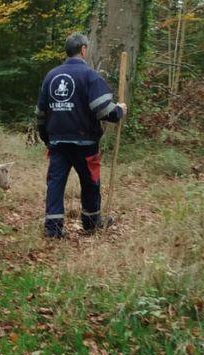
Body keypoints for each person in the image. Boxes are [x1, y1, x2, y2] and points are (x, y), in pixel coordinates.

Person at [36, 33, 127, 239]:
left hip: (57, 142)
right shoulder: (90, 76)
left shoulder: (51, 76)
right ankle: (92, 223)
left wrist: (47, 138)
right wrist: (119, 110)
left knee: (55, 185)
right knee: (90, 183)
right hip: (85, 144)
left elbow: (40, 113)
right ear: (84, 50)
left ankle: (53, 229)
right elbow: (103, 110)